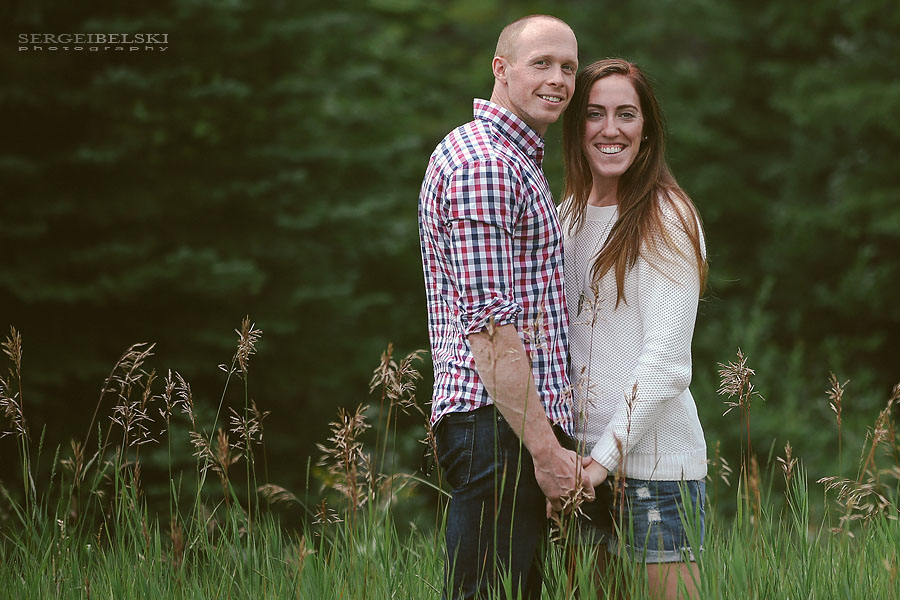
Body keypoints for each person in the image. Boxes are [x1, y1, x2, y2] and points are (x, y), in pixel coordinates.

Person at [417, 14, 594, 600]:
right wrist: (546, 454)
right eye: (541, 63)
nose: (559, 79)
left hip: (510, 428)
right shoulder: (486, 165)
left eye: (568, 67)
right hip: (500, 429)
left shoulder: (514, 160)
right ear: (501, 68)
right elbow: (491, 331)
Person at [559, 58, 709, 599]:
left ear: (646, 131)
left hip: (655, 475)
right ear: (578, 129)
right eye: (595, 114)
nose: (610, 128)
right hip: (576, 467)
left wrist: (601, 462)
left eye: (626, 114)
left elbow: (667, 362)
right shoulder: (569, 214)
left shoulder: (665, 216)